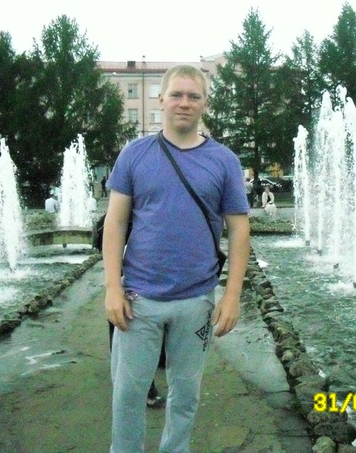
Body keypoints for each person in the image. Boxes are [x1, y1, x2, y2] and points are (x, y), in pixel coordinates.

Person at [103, 64, 250, 453]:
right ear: (161, 99)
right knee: (127, 394)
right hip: (138, 299)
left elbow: (239, 231)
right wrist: (112, 288)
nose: (185, 103)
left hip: (196, 301)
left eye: (194, 96)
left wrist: (232, 295)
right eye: (177, 95)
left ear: (205, 104)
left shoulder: (224, 161)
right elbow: (115, 224)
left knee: (185, 395)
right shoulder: (135, 154)